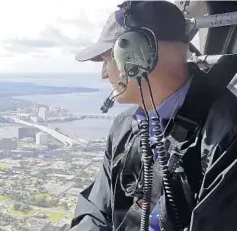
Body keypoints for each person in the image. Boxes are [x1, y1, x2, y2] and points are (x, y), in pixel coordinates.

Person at [70, 1, 237, 231]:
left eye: (109, 59)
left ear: (139, 55)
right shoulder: (125, 127)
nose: (104, 74)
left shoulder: (226, 133)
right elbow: (96, 209)